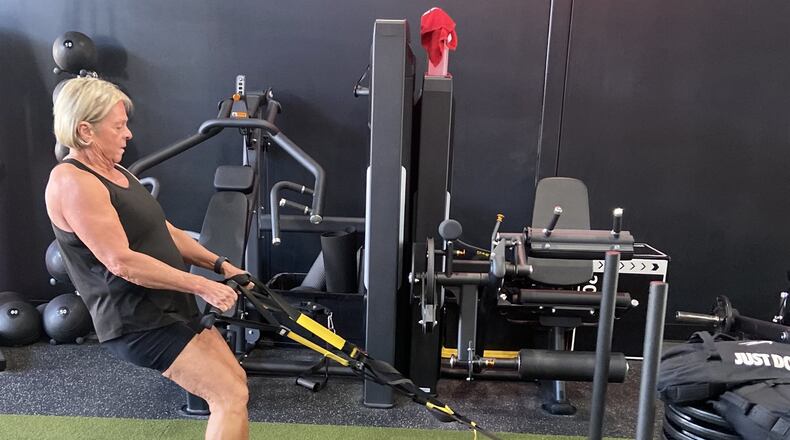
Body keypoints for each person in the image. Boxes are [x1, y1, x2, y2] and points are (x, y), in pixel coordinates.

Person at [45, 77, 250, 440]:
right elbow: (121, 261)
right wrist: (202, 285)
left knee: (235, 383)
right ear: (85, 131)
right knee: (227, 395)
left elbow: (163, 228)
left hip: (169, 304)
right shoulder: (72, 182)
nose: (127, 134)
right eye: (118, 126)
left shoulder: (117, 172)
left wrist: (219, 265)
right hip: (137, 319)